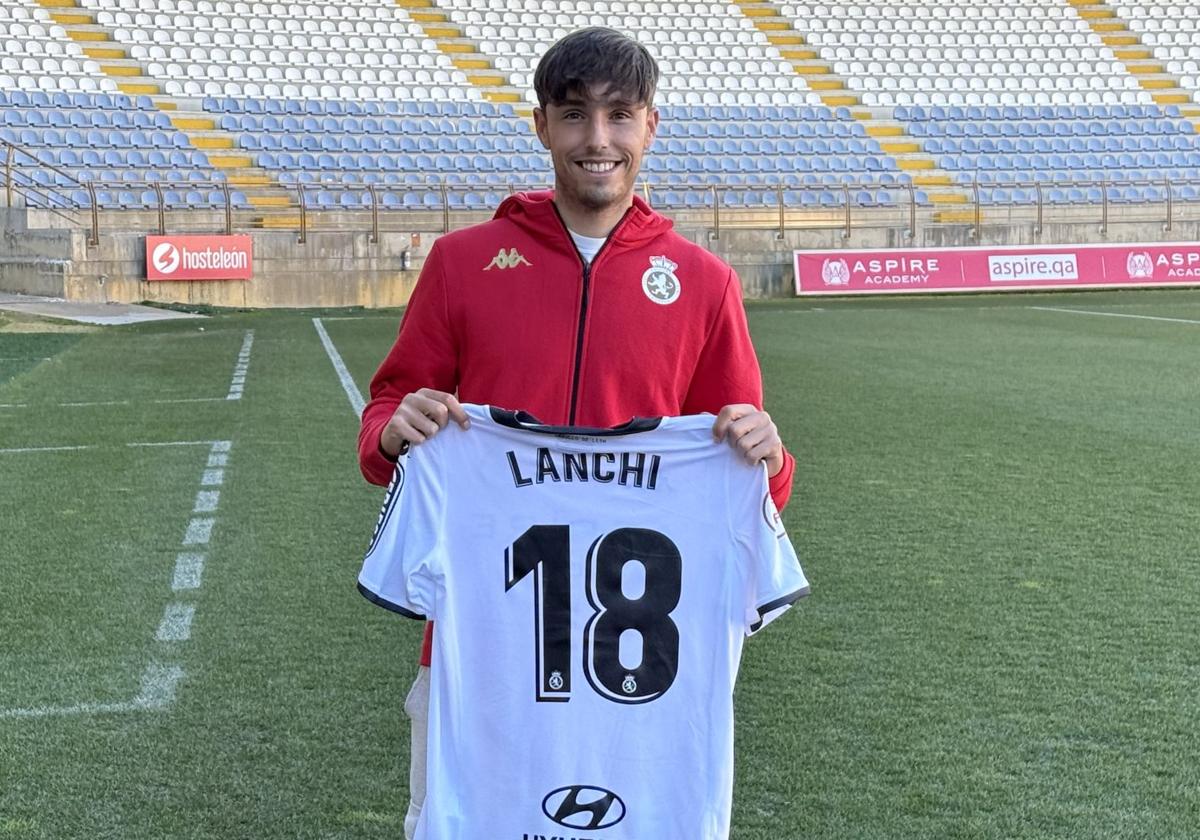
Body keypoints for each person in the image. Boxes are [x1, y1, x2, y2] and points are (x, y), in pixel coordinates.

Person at [357, 26, 796, 839]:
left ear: (650, 127)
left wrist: (769, 457)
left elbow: (755, 488)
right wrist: (393, 432)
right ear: (541, 126)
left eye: (620, 116)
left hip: (642, 684)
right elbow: (384, 418)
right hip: (480, 659)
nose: (598, 140)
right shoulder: (463, 263)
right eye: (574, 115)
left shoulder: (703, 284)